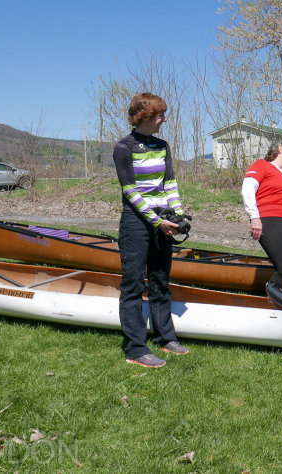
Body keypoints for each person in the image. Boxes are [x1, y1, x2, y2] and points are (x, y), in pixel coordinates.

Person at [113, 92, 190, 368]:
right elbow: (130, 192)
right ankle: (135, 349)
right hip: (136, 223)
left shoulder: (162, 145)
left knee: (160, 280)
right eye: (160, 115)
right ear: (143, 117)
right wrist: (157, 221)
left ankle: (165, 338)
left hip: (163, 220)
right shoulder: (124, 147)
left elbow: (169, 184)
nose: (164, 119)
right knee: (133, 284)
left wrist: (178, 216)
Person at [242, 143, 282, 290]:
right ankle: (272, 300)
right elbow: (248, 189)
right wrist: (254, 218)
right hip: (272, 219)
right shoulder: (262, 165)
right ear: (281, 150)